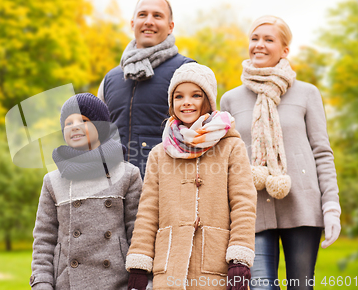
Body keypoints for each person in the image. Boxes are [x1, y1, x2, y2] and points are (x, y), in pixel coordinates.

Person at [220, 16, 341, 290]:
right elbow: (230, 159)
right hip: (253, 210)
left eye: (268, 39)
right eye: (254, 38)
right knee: (262, 286)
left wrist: (331, 206)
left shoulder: (307, 93)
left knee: (301, 287)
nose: (259, 45)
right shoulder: (230, 99)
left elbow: (322, 152)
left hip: (302, 206)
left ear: (285, 50)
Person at [125, 63, 257, 290]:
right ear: (171, 103)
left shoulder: (231, 147)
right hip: (169, 266)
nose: (186, 102)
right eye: (179, 96)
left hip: (213, 266)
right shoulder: (160, 153)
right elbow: (148, 211)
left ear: (208, 101)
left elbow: (243, 204)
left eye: (195, 95)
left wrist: (239, 258)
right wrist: (139, 262)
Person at [29, 93, 143, 289]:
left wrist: (140, 279)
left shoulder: (128, 174)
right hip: (67, 283)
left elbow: (138, 233)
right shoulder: (52, 180)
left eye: (83, 120)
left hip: (117, 282)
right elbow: (44, 239)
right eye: (68, 122)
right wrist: (41, 282)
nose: (74, 126)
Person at [97, 0, 195, 178]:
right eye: (143, 15)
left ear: (170, 26)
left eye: (157, 16)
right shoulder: (110, 79)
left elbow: (200, 133)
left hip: (166, 186)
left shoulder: (186, 70)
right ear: (133, 23)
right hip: (115, 190)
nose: (149, 21)